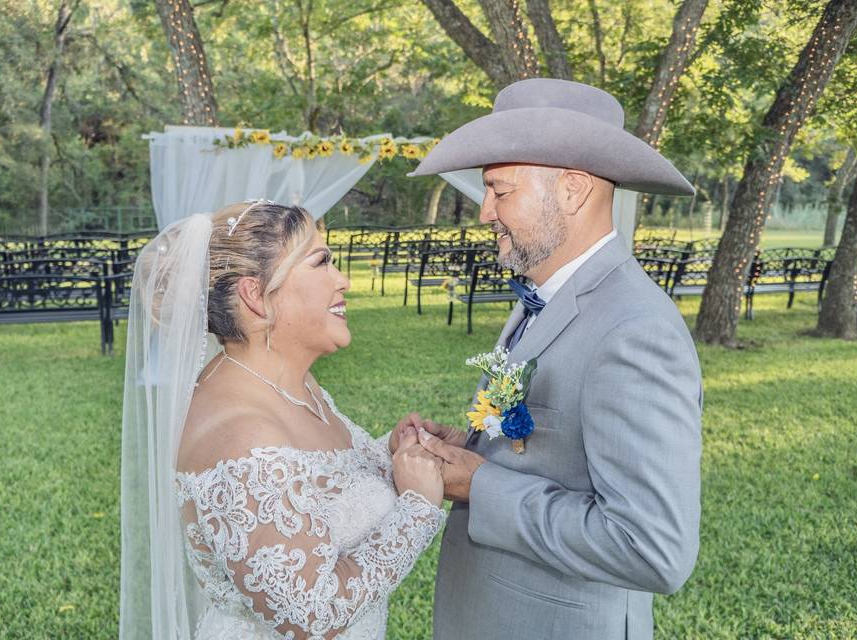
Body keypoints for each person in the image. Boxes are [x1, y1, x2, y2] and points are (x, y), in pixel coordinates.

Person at [405, 78, 704, 639]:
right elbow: (551, 451)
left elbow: (653, 548)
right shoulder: (545, 292)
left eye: (501, 191)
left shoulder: (635, 329)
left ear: (571, 190)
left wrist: (479, 485)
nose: (484, 213)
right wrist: (465, 446)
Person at [119, 201, 445, 640]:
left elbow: (322, 477)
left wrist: (390, 452)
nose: (342, 279)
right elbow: (312, 614)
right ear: (256, 295)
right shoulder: (242, 434)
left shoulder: (293, 383)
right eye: (321, 262)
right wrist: (418, 509)